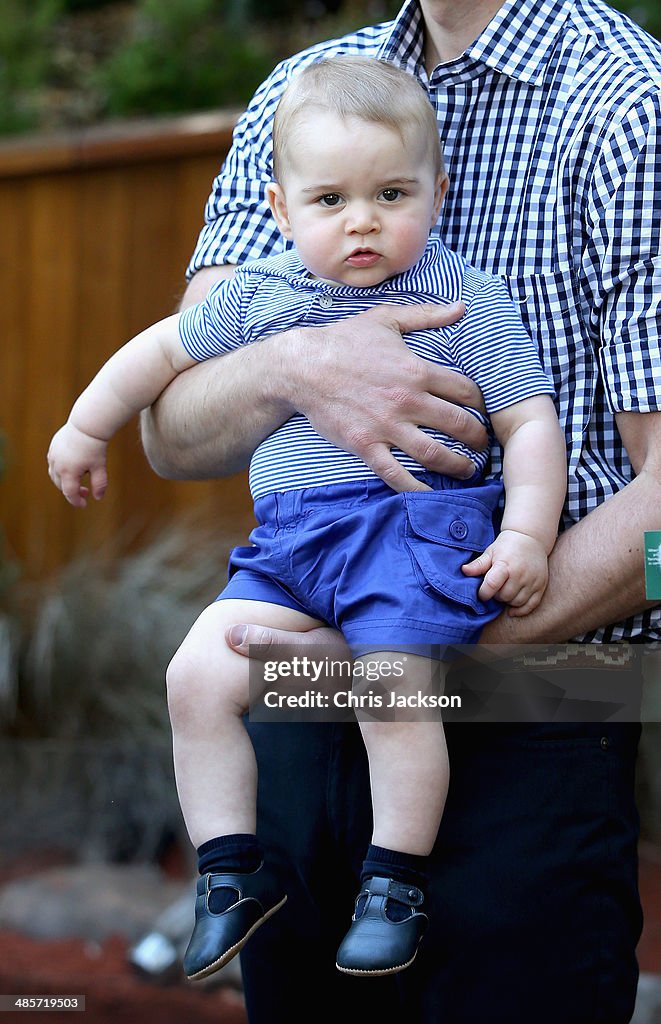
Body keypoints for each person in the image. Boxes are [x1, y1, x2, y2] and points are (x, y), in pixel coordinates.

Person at [141, 2, 661, 1022]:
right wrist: (294, 361)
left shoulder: (631, 104)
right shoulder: (302, 93)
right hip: (294, 710)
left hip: (536, 724)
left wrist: (434, 642)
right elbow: (173, 433)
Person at [47, 55, 566, 981]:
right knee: (195, 675)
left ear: (436, 192)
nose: (361, 220)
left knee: (390, 688)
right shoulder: (263, 296)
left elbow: (528, 423)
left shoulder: (462, 300)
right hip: (293, 544)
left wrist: (525, 533)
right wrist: (88, 427)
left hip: (407, 540)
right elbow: (156, 354)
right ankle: (228, 871)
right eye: (329, 200)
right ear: (282, 211)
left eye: (390, 193)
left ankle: (394, 880)